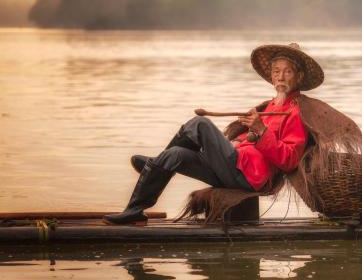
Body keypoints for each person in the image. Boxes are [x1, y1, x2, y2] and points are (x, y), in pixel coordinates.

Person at [103, 43, 324, 225]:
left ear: (299, 76)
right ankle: (135, 210)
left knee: (201, 124)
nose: (280, 77)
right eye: (276, 72)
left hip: (248, 176)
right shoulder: (269, 107)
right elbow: (248, 140)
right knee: (176, 155)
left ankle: (154, 167)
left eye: (287, 71)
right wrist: (242, 138)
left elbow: (289, 160)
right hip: (235, 164)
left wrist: (261, 130)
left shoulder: (297, 113)